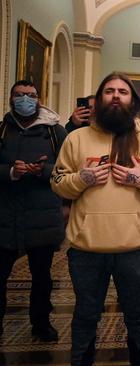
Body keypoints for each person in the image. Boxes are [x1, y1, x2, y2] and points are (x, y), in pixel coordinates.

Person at [51, 72, 140, 365]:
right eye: (109, 91)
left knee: (137, 314)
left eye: (122, 91)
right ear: (98, 99)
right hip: (86, 251)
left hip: (135, 250)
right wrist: (81, 178)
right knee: (85, 314)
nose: (116, 96)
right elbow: (58, 182)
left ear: (133, 100)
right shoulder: (76, 138)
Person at [0, 80, 67, 341]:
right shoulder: (3, 130)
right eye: (20, 95)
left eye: (30, 95)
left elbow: (66, 168)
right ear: (10, 99)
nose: (25, 100)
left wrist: (44, 170)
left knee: (42, 277)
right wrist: (11, 172)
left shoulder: (55, 132)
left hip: (43, 216)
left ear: (39, 99)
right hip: (6, 216)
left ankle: (41, 323)